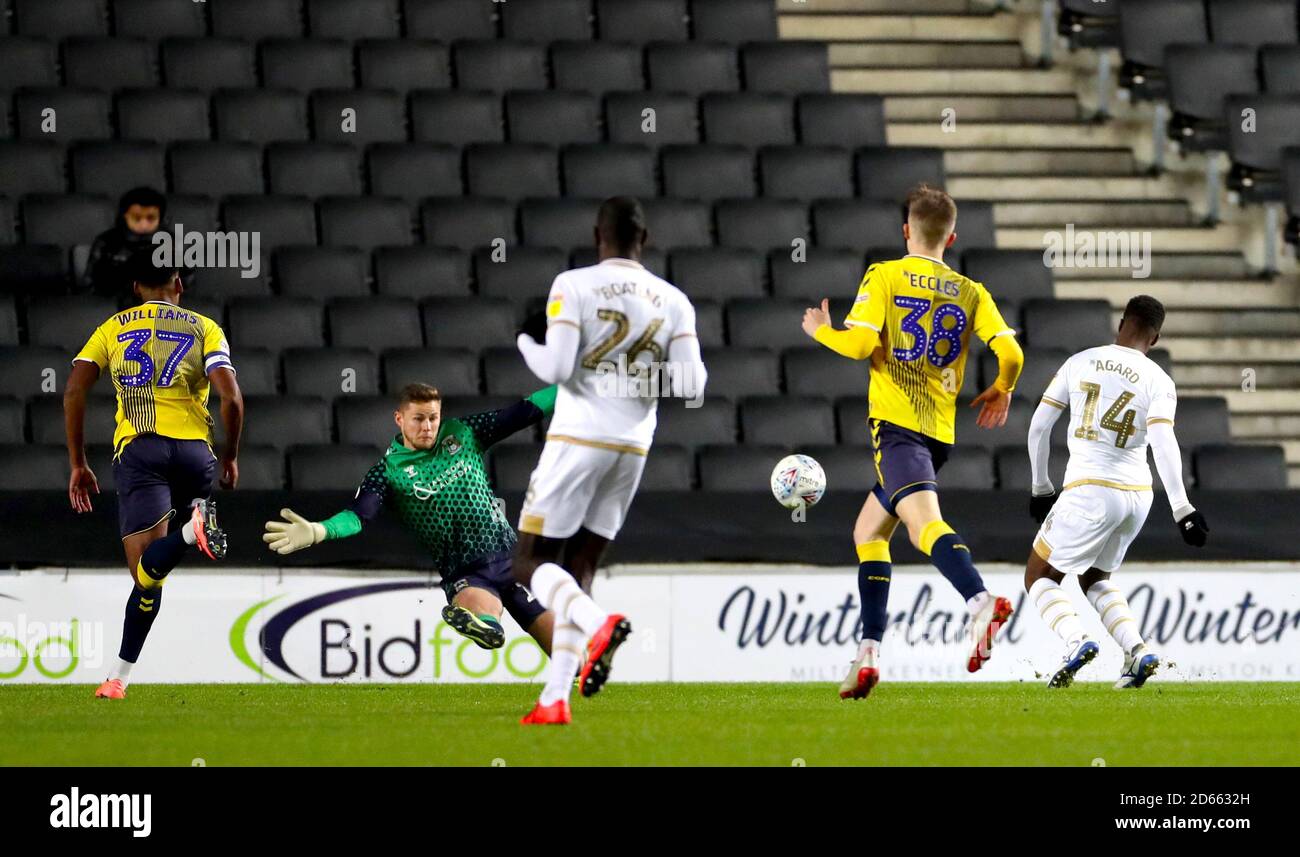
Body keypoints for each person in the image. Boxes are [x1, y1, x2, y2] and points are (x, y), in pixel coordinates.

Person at [800, 183, 1024, 700]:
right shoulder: (972, 291)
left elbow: (859, 345)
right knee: (869, 531)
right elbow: (1010, 354)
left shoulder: (885, 274)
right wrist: (1001, 388)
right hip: (937, 436)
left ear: (907, 231)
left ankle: (979, 601)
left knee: (923, 526)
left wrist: (820, 330)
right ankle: (868, 653)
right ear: (952, 237)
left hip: (897, 429)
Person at [511, 196, 707, 725]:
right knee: (579, 568)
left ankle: (599, 623)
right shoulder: (674, 300)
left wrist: (526, 340)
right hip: (634, 445)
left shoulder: (573, 284)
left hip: (579, 436)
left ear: (599, 234)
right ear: (644, 239)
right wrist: (638, 379)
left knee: (528, 564)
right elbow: (692, 386)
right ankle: (555, 698)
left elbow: (554, 368)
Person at [261, 383, 560, 656]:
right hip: (467, 573)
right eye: (418, 419)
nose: (428, 427)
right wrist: (318, 530)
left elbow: (524, 411)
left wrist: (572, 387)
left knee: (571, 658)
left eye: (433, 417)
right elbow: (358, 516)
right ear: (399, 419)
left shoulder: (462, 433)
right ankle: (482, 624)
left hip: (512, 558)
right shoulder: (388, 471)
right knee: (487, 623)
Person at [65, 253, 242, 700]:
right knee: (154, 573)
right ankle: (118, 677)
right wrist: (229, 457)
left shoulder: (113, 328)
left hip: (141, 449)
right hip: (195, 454)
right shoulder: (205, 328)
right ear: (178, 284)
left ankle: (188, 534)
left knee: (143, 574)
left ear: (136, 287)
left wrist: (78, 462)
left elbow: (73, 390)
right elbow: (232, 400)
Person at [1024, 294, 1208, 689]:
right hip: (1137, 496)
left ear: (1121, 321)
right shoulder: (1160, 380)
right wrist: (1182, 508)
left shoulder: (1080, 361)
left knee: (1039, 576)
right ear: (1155, 339)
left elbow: (1040, 426)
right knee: (1095, 576)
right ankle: (1138, 651)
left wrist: (1041, 487)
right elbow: (1163, 442)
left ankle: (1076, 642)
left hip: (1090, 488)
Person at [83, 187, 167, 308]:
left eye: (150, 218)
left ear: (161, 218)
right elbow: (90, 281)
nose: (143, 224)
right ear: (124, 216)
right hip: (111, 304)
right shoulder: (107, 242)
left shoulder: (169, 243)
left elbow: (185, 282)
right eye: (137, 218)